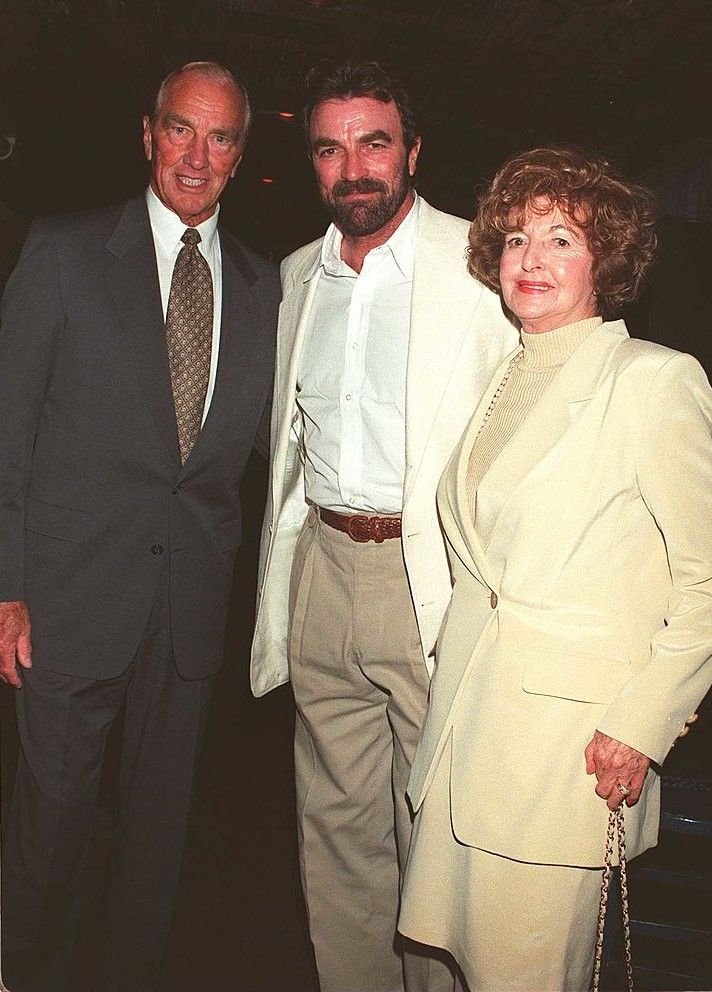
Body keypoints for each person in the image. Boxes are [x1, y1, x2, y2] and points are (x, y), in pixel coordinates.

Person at [397, 146, 712, 991]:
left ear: (607, 259)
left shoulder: (651, 381)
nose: (531, 259)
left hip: (570, 752)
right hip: (469, 733)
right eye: (516, 239)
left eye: (560, 238)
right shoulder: (504, 374)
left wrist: (643, 721)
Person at [0, 61, 279, 992]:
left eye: (222, 137)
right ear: (148, 134)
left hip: (190, 609)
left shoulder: (261, 286)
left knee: (158, 841)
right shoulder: (65, 251)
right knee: (51, 831)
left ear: (241, 155)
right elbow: (6, 436)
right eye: (181, 130)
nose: (197, 157)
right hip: (69, 601)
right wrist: (6, 586)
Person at [249, 60, 518, 992]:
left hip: (429, 578)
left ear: (411, 150)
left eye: (373, 142)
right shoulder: (295, 278)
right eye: (330, 148)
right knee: (334, 829)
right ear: (313, 162)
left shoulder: (481, 270)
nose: (353, 168)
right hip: (322, 571)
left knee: (434, 830)